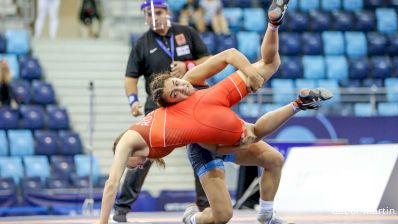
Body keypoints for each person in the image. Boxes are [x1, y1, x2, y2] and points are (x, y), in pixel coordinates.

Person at [99, 0, 332, 223]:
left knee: (272, 155)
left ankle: (274, 26)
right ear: (172, 103)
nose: (182, 87)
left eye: (178, 84)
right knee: (223, 215)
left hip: (213, 113)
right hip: (206, 139)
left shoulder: (189, 74)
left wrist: (248, 71)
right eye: (176, 92)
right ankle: (193, 217)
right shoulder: (169, 96)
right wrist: (133, 101)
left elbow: (227, 55)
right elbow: (192, 133)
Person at [113, 0, 211, 222]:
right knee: (142, 155)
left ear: (167, 12)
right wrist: (133, 101)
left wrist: (188, 66)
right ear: (145, 17)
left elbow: (209, 60)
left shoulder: (186, 32)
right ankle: (121, 210)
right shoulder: (141, 44)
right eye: (149, 14)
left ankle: (205, 207)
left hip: (190, 103)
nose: (154, 17)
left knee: (203, 151)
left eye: (158, 12)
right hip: (157, 106)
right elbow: (130, 77)